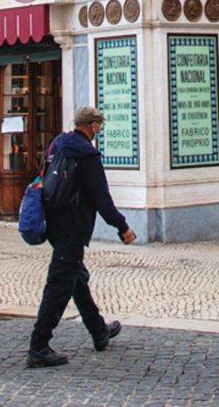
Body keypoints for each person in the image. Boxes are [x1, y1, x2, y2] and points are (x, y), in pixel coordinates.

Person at [27, 105, 135, 369]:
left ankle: (99, 331)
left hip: (53, 223)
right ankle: (38, 346)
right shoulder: (88, 155)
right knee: (60, 284)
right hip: (72, 227)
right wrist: (123, 227)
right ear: (94, 126)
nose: (100, 130)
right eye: (100, 126)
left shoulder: (58, 144)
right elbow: (102, 200)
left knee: (76, 277)